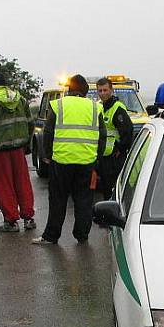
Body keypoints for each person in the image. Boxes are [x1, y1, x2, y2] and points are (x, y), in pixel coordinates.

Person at [32, 74, 107, 245]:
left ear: (70, 89)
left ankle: (51, 236)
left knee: (58, 199)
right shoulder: (95, 108)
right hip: (86, 162)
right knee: (84, 199)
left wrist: (48, 156)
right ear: (86, 92)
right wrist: (97, 158)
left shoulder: (58, 105)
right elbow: (102, 135)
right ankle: (82, 235)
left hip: (61, 161)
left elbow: (48, 132)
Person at [0, 72, 36, 232]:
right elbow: (30, 124)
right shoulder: (21, 99)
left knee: (4, 185)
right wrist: (26, 144)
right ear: (6, 84)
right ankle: (29, 218)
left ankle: (11, 222)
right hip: (18, 150)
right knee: (23, 183)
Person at [95, 77, 133, 199]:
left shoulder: (117, 108)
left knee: (114, 188)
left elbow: (127, 131)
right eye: (100, 91)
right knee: (105, 188)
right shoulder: (99, 107)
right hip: (103, 156)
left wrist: (120, 150)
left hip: (115, 157)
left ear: (111, 90)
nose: (102, 93)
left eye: (105, 90)